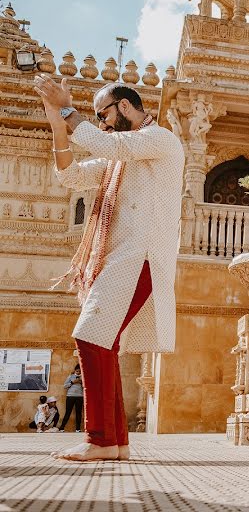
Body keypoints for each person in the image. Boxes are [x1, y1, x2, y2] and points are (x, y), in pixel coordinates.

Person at [34, 75, 184, 462]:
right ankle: (114, 442)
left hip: (142, 255)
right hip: (122, 258)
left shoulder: (160, 140)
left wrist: (67, 109)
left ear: (127, 107)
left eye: (104, 113)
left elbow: (106, 142)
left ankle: (99, 439)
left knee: (91, 336)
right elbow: (70, 175)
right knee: (102, 341)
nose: (100, 122)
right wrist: (57, 122)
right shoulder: (120, 156)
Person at [59, 365, 84, 432]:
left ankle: (78, 429)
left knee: (78, 413)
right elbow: (65, 386)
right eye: (77, 371)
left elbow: (86, 387)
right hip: (70, 396)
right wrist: (73, 382)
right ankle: (62, 428)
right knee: (68, 412)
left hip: (79, 397)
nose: (78, 372)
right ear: (75, 370)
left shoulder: (83, 377)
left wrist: (82, 382)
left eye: (79, 371)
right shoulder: (70, 376)